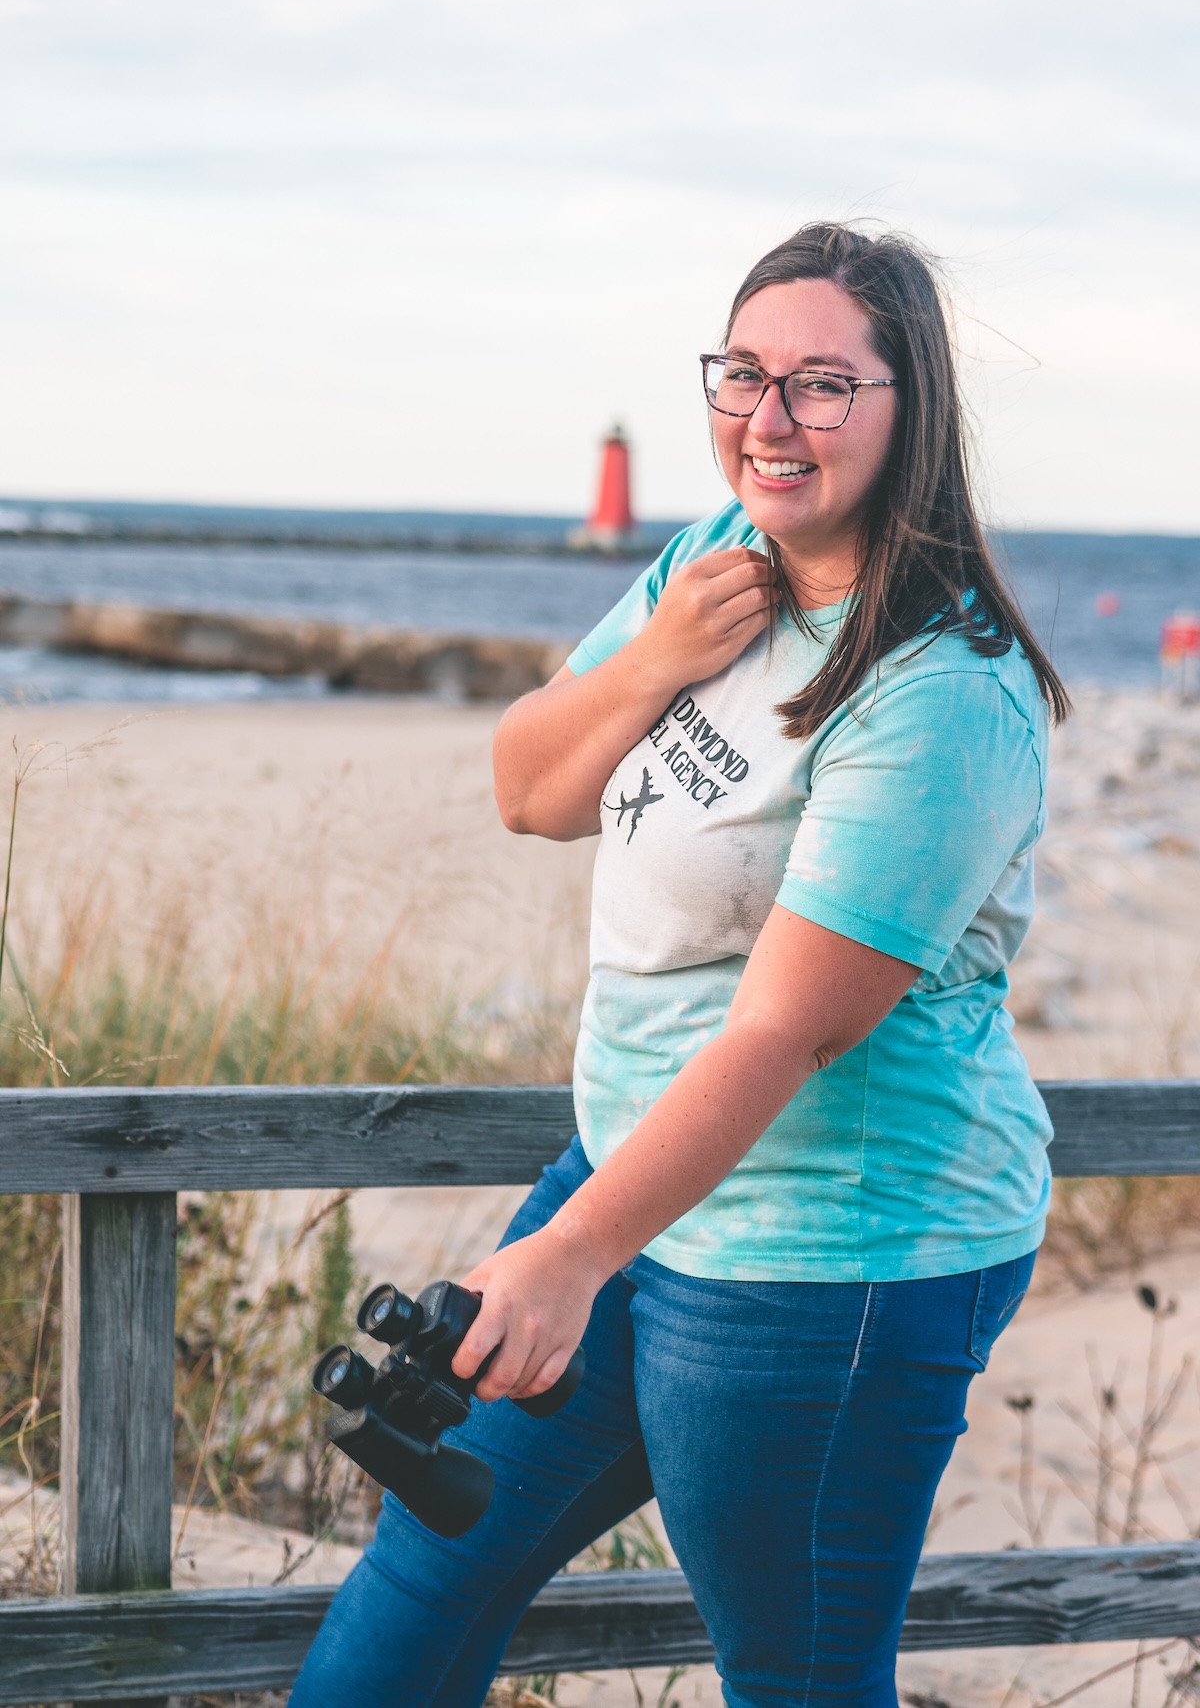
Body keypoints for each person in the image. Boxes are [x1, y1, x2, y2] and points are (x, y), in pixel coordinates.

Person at [290, 222, 1069, 1708]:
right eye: (745, 374)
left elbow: (784, 1031)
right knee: (420, 1580)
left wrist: (573, 1249)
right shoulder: (719, 558)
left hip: (824, 1255)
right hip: (636, 1182)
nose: (769, 421)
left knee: (796, 1678)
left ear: (912, 415)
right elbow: (530, 788)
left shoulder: (946, 691)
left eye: (824, 385)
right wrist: (655, 656)